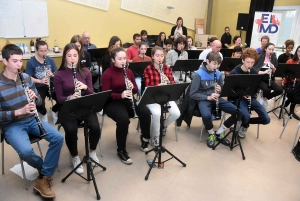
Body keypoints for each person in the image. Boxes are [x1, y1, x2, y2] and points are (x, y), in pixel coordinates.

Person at [1, 44, 64, 199]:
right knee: (26, 152)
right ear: (4, 61)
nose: (19, 65)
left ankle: (43, 179)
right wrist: (18, 112)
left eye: (20, 61)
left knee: (58, 138)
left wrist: (35, 98)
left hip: (31, 119)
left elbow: (41, 103)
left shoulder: (26, 78)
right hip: (12, 124)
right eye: (15, 61)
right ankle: (44, 169)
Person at [54, 43, 100, 174]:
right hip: (68, 107)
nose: (73, 58)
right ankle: (74, 156)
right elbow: (59, 98)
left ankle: (92, 152)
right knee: (71, 129)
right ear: (64, 57)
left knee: (95, 127)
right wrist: (70, 97)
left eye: (75, 55)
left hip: (85, 105)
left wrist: (85, 88)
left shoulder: (86, 72)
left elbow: (91, 93)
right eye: (69, 56)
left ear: (79, 57)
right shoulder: (59, 74)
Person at [102, 47, 151, 164]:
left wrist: (131, 87)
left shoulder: (128, 72)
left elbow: (134, 90)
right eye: (120, 59)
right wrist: (121, 95)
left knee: (145, 111)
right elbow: (106, 94)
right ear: (113, 60)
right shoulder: (107, 74)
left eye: (124, 58)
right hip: (112, 102)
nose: (123, 61)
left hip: (127, 99)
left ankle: (145, 138)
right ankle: (121, 150)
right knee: (123, 120)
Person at [190, 51, 241, 148]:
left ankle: (220, 131)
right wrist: (207, 97)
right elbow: (193, 94)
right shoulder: (198, 74)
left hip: (216, 99)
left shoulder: (218, 73)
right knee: (206, 115)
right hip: (204, 99)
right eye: (214, 64)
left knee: (239, 112)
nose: (216, 67)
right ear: (208, 61)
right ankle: (211, 133)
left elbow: (222, 89)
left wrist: (220, 90)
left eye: (218, 65)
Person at [230, 48, 270, 138]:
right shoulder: (235, 72)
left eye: (252, 63)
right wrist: (241, 94)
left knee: (266, 119)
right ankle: (244, 122)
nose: (250, 65)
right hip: (238, 98)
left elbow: (255, 87)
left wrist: (251, 94)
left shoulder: (253, 71)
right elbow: (230, 91)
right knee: (246, 115)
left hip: (250, 98)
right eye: (248, 62)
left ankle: (244, 122)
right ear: (242, 60)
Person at [144, 46, 180, 146]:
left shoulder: (167, 68)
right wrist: (157, 87)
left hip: (166, 96)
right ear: (152, 56)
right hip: (153, 97)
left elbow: (173, 85)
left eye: (162, 56)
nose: (160, 58)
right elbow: (147, 87)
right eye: (157, 56)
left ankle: (163, 125)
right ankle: (156, 136)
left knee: (176, 113)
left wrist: (168, 82)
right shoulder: (148, 69)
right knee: (157, 113)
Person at [25, 40, 57, 123]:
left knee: (61, 97)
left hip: (50, 84)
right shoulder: (31, 62)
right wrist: (40, 81)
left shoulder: (50, 60)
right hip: (38, 85)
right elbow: (28, 77)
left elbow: (56, 73)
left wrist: (52, 74)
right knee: (38, 101)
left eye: (45, 50)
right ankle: (44, 113)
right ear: (36, 50)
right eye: (41, 51)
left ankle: (53, 110)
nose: (44, 53)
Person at [253, 42, 283, 107]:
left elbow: (276, 72)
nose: (271, 51)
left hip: (269, 79)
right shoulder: (260, 57)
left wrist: (274, 68)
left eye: (272, 49)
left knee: (280, 90)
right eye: (269, 49)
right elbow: (254, 70)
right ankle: (263, 97)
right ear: (266, 49)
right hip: (260, 78)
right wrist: (264, 72)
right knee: (267, 89)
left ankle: (265, 98)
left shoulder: (274, 58)